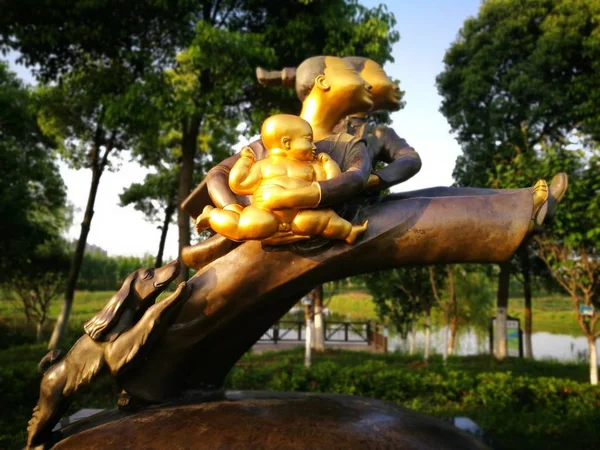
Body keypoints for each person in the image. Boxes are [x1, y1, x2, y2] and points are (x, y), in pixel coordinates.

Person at [196, 114, 368, 244]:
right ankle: (211, 215)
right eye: (308, 140)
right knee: (242, 225)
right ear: (287, 143)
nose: (314, 146)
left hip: (298, 216)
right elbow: (238, 183)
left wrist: (328, 163)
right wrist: (245, 161)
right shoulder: (262, 165)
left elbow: (331, 181)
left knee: (325, 218)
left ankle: (347, 232)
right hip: (264, 212)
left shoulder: (312, 166)